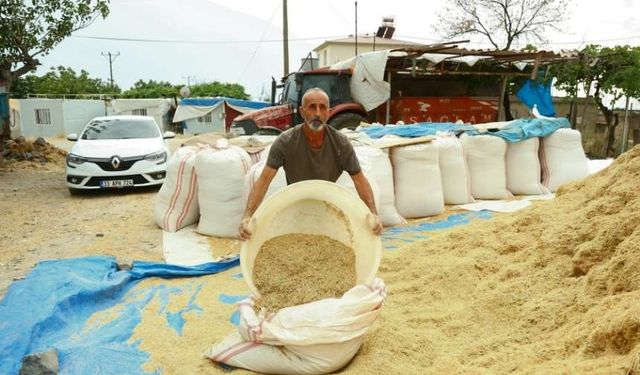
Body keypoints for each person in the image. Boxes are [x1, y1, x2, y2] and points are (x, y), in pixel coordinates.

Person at [238, 87, 382, 240]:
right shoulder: (285, 142)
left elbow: (360, 181)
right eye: (312, 107)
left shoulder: (341, 144)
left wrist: (373, 214)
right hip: (297, 205)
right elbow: (263, 181)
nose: (318, 114)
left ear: (328, 112)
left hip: (328, 205)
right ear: (302, 111)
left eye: (322, 108)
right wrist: (247, 216)